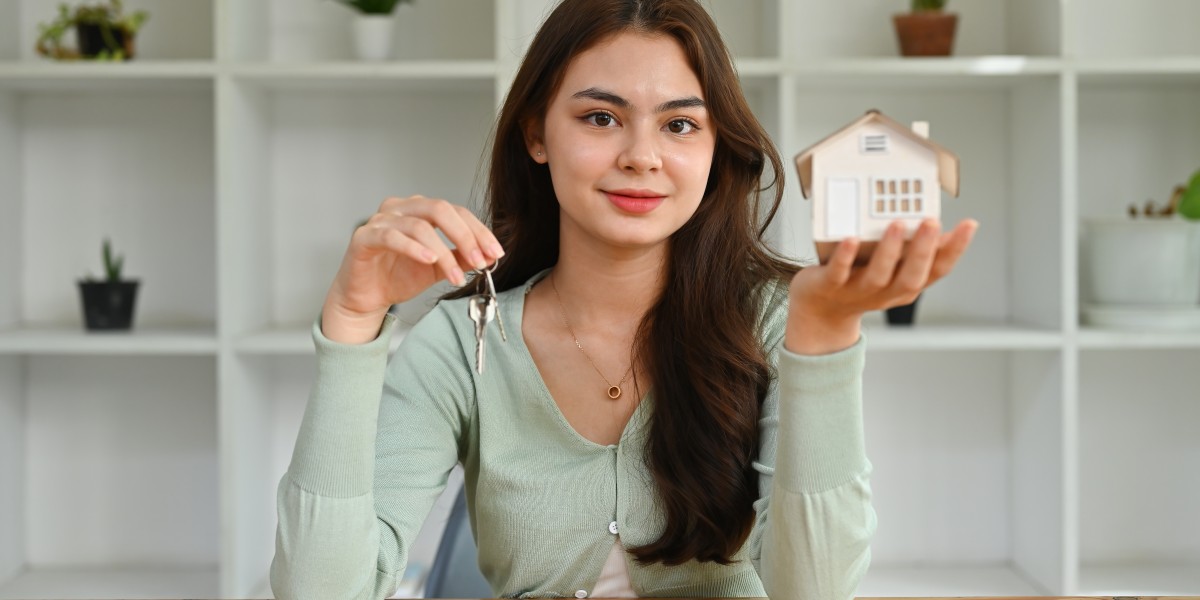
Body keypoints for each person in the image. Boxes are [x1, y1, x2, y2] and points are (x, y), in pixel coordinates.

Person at [269, 0, 978, 598]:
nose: (643, 155)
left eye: (679, 124)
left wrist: (824, 331)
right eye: (601, 118)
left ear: (712, 146)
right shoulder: (465, 340)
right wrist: (354, 322)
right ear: (536, 133)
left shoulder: (773, 318)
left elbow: (815, 592)